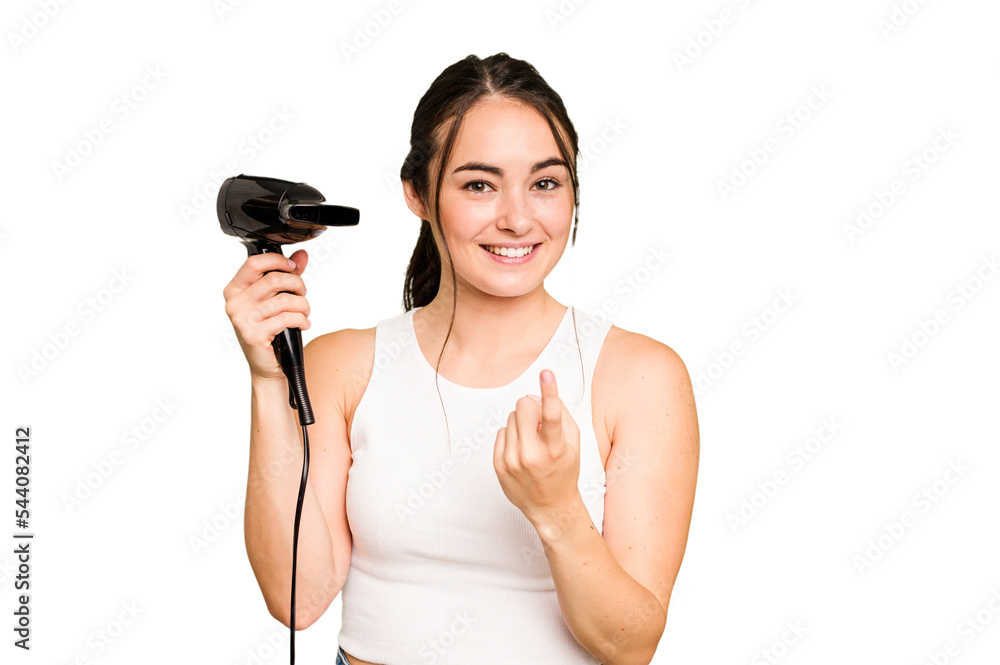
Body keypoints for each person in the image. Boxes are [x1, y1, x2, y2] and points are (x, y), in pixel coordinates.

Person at [223, 52, 699, 665]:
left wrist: (557, 510)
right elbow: (299, 600)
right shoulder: (343, 367)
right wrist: (268, 380)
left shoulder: (641, 378)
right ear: (417, 194)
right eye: (479, 184)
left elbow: (630, 645)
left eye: (545, 183)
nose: (517, 218)